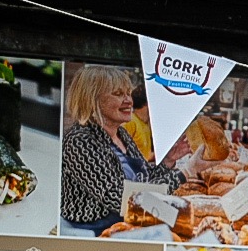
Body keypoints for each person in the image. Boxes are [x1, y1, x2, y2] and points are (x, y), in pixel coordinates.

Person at [60, 65, 190, 234]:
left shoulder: (121, 133)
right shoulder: (80, 141)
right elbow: (120, 198)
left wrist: (168, 162)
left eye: (128, 93)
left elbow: (144, 177)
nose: (129, 101)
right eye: (118, 94)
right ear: (92, 99)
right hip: (92, 233)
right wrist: (184, 174)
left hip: (126, 223)